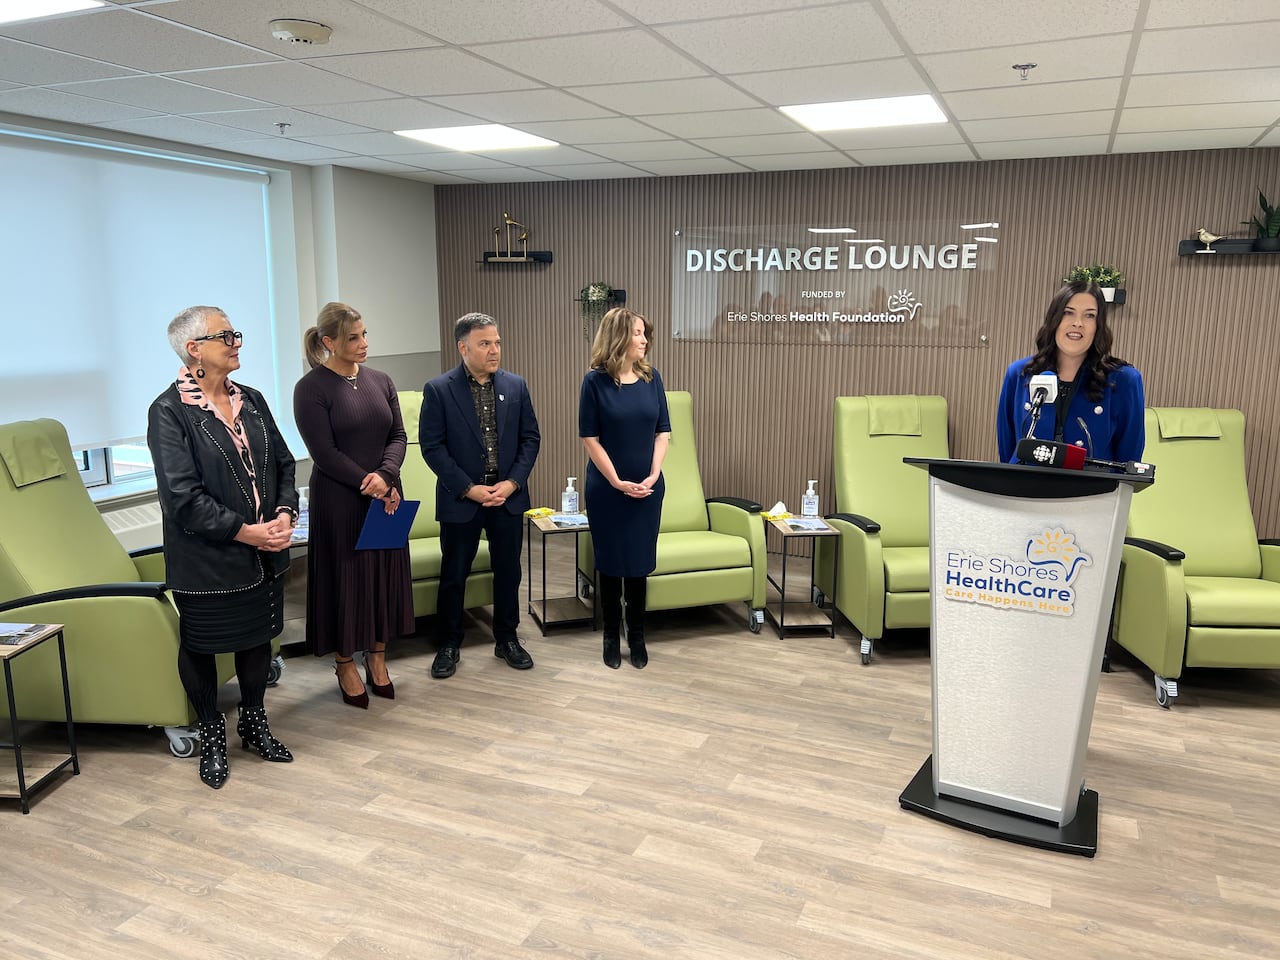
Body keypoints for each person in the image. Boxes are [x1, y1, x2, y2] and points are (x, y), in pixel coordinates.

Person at [147, 306, 297, 790]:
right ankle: (211, 733)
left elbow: (284, 465)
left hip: (264, 549)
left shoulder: (250, 399)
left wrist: (284, 515)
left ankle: (253, 724)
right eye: (226, 335)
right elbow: (183, 499)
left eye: (236, 333)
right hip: (207, 559)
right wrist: (247, 531)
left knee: (258, 637)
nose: (237, 342)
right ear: (195, 350)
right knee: (203, 645)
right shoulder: (169, 411)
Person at [293, 302, 414, 709]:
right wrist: (372, 482)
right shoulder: (311, 388)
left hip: (386, 495)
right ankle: (345, 663)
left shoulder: (381, 380)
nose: (364, 343)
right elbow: (323, 452)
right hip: (339, 500)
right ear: (328, 342)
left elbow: (398, 435)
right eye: (353, 337)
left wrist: (387, 476)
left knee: (382, 578)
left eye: (364, 334)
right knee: (346, 583)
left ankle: (377, 660)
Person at [420, 312, 540, 678]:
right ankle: (449, 643)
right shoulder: (439, 389)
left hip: (507, 498)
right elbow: (432, 446)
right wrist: (469, 488)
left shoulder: (516, 386)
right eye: (485, 343)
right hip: (462, 499)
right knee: (454, 573)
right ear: (463, 347)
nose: (494, 350)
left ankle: (507, 638)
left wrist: (513, 482)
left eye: (497, 342)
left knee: (508, 572)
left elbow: (530, 439)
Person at [579, 307, 671, 669]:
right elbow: (590, 438)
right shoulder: (594, 382)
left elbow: (663, 431)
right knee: (611, 562)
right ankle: (609, 633)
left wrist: (652, 475)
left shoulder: (653, 378)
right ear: (618, 337)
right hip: (607, 489)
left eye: (644, 333)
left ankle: (637, 635)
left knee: (638, 563)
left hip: (648, 489)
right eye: (637, 333)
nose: (644, 339)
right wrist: (617, 481)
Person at [997, 280, 1145, 464]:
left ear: (1098, 325)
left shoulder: (1124, 380)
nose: (1078, 323)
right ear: (1054, 319)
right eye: (1068, 313)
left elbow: (1128, 460)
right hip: (1024, 489)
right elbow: (1006, 449)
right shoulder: (1020, 374)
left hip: (1092, 491)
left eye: (1089, 316)